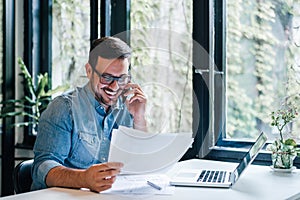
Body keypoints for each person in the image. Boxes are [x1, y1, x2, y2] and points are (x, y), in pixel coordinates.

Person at [31, 36, 147, 192]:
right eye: (106, 77)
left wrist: (139, 118)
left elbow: (140, 161)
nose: (114, 87)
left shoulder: (127, 107)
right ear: (89, 71)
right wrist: (83, 178)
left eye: (122, 79)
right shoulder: (64, 108)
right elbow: (42, 168)